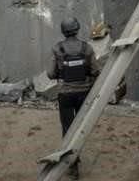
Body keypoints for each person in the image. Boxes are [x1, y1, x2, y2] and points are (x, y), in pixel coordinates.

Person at [47, 17, 99, 179]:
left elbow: (50, 74)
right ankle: (76, 156)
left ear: (63, 31)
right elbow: (95, 71)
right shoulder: (87, 48)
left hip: (65, 94)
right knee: (80, 128)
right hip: (84, 93)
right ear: (77, 29)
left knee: (68, 129)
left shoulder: (57, 49)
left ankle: (72, 165)